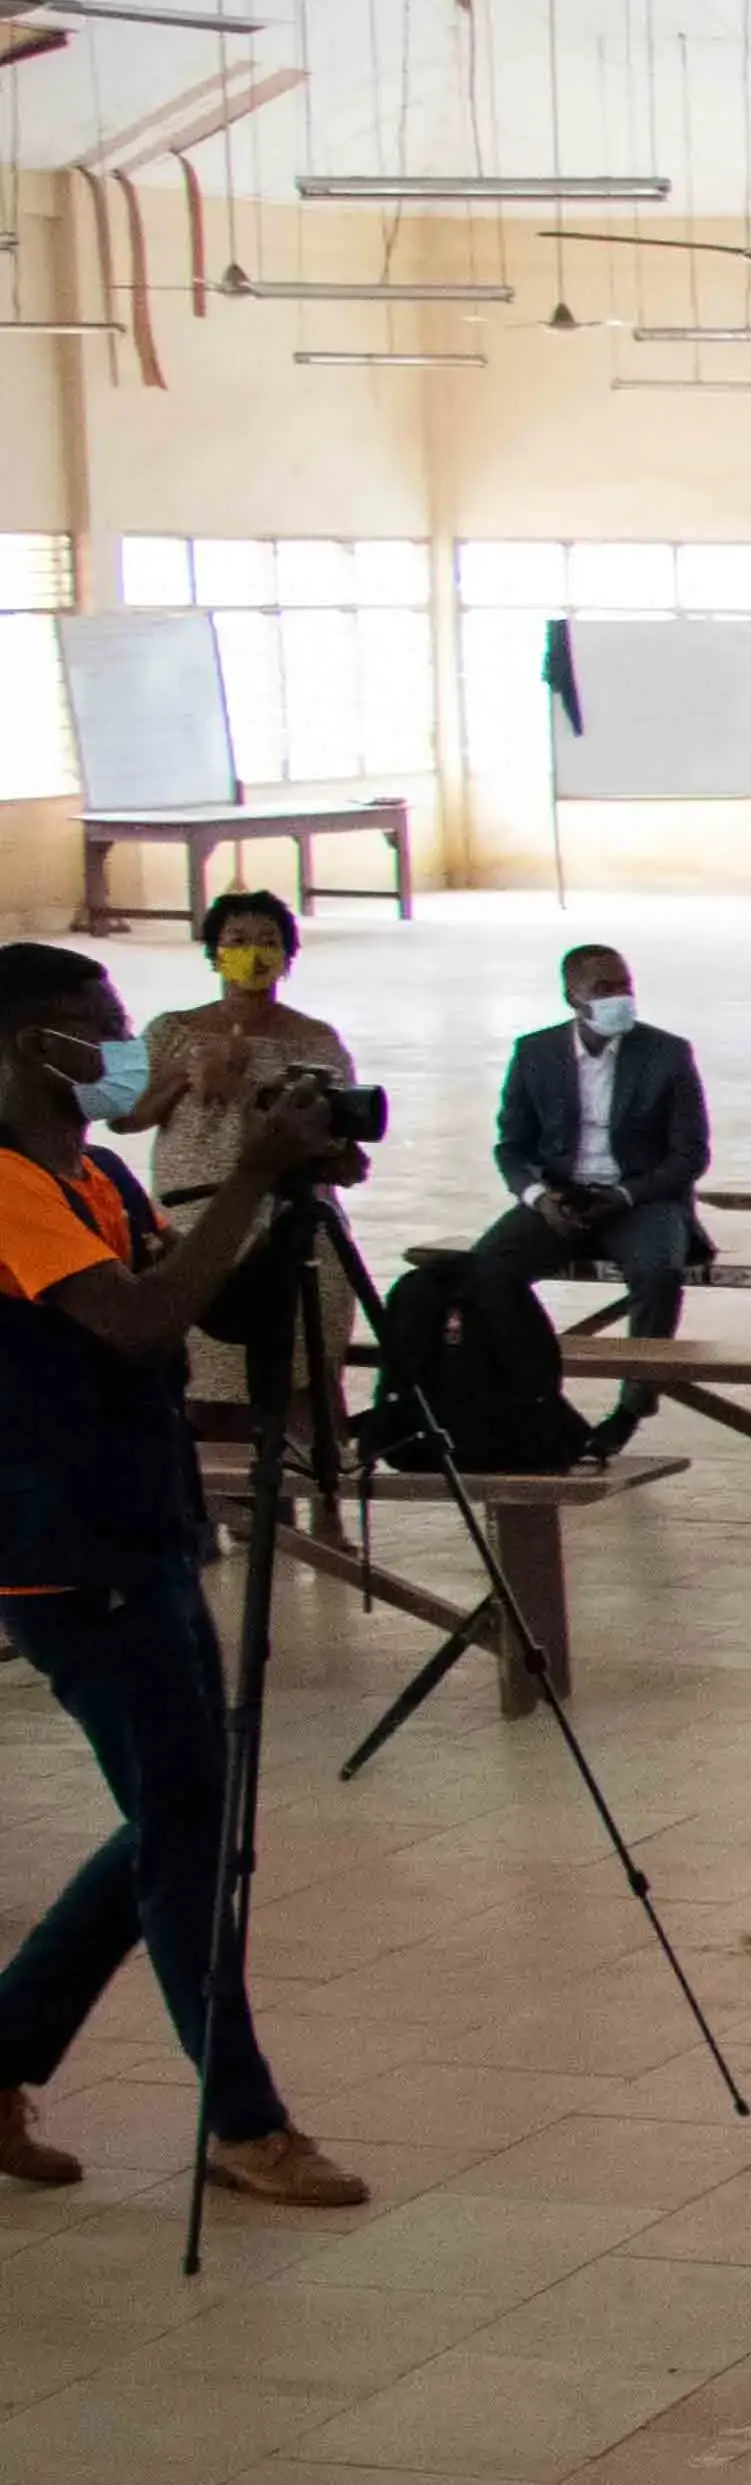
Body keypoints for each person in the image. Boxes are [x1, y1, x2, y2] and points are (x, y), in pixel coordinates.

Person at [0, 946, 365, 2206]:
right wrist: (248, 1177)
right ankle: (244, 2116)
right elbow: (135, 1322)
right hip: (64, 1548)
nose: (126, 1054)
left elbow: (212, 1310)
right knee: (188, 1824)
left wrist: (285, 1200)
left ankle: (5, 2055)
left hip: (143, 1527)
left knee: (185, 1815)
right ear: (26, 1046)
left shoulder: (92, 1172)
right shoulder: (4, 1187)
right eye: (100, 1030)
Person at [121, 891, 357, 1438]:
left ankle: (317, 1516)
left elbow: (337, 1139)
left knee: (301, 1391)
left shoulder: (316, 1040)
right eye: (237, 941)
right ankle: (210, 1517)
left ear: (289, 957)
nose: (254, 954)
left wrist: (246, 1086)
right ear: (213, 954)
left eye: (269, 942)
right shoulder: (173, 1030)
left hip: (292, 1229)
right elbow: (125, 1117)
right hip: (194, 1228)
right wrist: (186, 1072)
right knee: (200, 1393)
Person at [469, 943, 713, 1450]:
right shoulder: (534, 1053)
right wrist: (539, 1198)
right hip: (562, 1197)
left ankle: (632, 1406)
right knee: (483, 1272)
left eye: (625, 985)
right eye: (603, 988)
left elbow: (689, 1156)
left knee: (658, 1272)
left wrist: (625, 1195)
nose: (619, 997)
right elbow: (511, 1147)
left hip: (642, 1198)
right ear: (571, 997)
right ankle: (533, 1394)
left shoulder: (667, 1054)